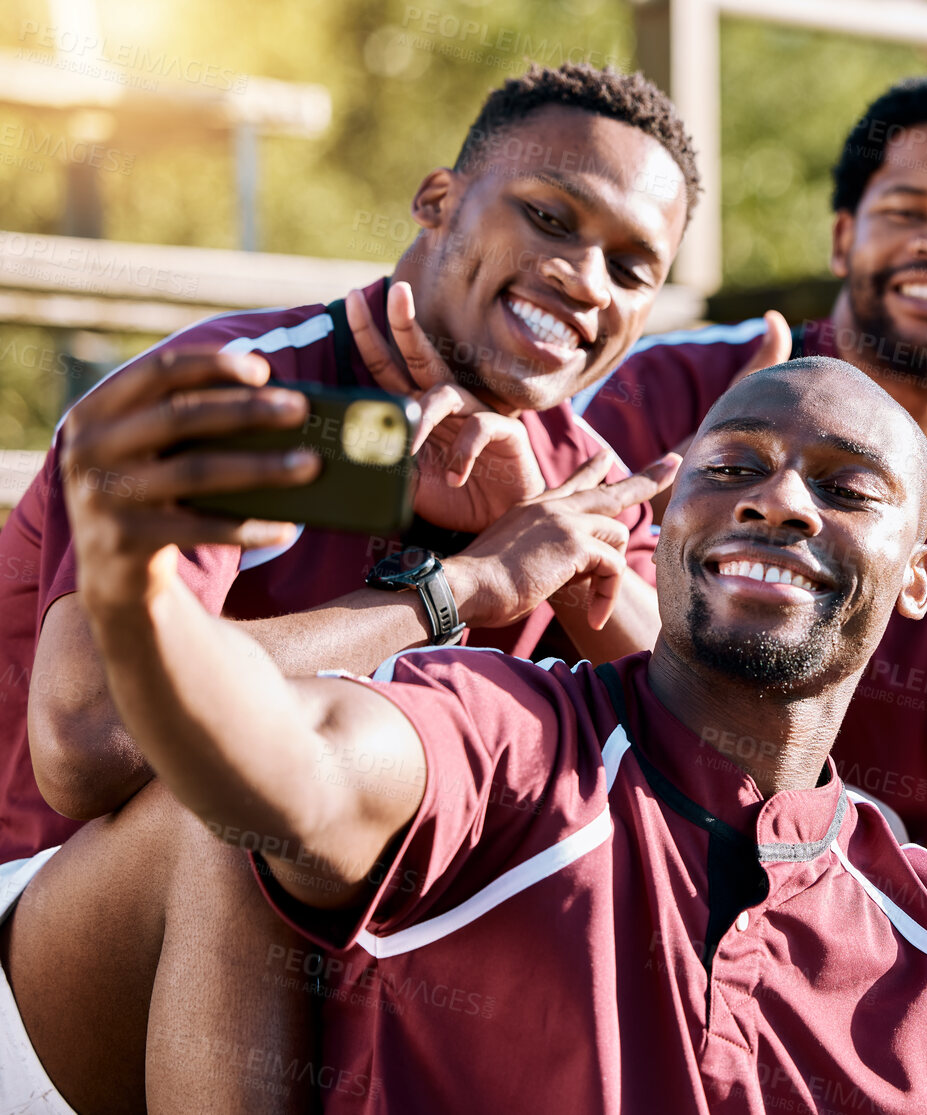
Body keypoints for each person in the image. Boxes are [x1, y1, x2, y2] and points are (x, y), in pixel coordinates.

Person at [10, 353, 927, 1114]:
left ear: (916, 579)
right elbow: (290, 763)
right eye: (730, 467)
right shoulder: (510, 739)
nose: (777, 503)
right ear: (670, 523)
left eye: (844, 486)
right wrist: (133, 589)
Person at [0, 62, 695, 1112]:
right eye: (552, 216)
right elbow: (88, 738)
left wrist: (587, 576)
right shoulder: (246, 389)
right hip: (60, 953)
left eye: (634, 268)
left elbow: (721, 765)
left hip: (368, 970)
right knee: (248, 786)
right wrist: (458, 585)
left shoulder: (577, 478)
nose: (587, 278)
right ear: (438, 200)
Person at [577, 72, 927, 843]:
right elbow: (546, 563)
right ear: (844, 236)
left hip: (870, 886)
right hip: (629, 812)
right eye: (905, 209)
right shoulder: (682, 381)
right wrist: (699, 495)